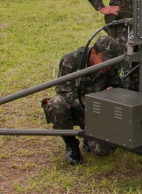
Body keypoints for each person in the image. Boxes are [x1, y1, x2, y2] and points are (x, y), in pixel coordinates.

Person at [42, 35, 124, 165]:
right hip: (76, 108)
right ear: (93, 53)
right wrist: (88, 112)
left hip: (98, 111)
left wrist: (112, 90)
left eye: (110, 63)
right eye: (103, 60)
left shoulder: (110, 66)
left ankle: (88, 138)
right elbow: (64, 91)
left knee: (103, 150)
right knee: (56, 104)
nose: (107, 66)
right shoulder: (70, 61)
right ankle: (71, 144)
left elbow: (118, 84)